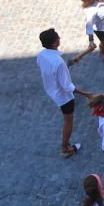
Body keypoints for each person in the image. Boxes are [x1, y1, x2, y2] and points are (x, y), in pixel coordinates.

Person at [36, 28, 92, 158]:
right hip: (64, 97)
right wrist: (87, 94)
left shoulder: (42, 55)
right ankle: (65, 147)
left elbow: (53, 70)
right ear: (54, 43)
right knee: (68, 121)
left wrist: (71, 62)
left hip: (51, 89)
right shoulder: (59, 63)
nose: (60, 38)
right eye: (58, 38)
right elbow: (68, 87)